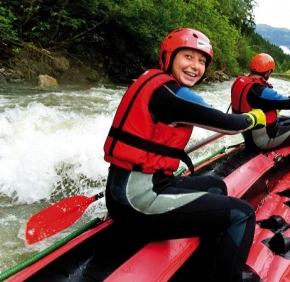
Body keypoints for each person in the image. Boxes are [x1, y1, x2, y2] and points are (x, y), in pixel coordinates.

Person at [103, 28, 266, 282]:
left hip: (133, 187)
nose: (195, 66)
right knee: (242, 214)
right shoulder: (170, 94)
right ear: (168, 57)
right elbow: (228, 124)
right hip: (137, 198)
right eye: (188, 57)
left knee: (216, 186)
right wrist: (254, 116)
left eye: (202, 61)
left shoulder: (157, 84)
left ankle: (211, 260)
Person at [230, 53, 290, 173]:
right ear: (267, 72)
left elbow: (268, 103)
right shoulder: (260, 91)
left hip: (250, 134)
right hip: (263, 139)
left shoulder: (241, 82)